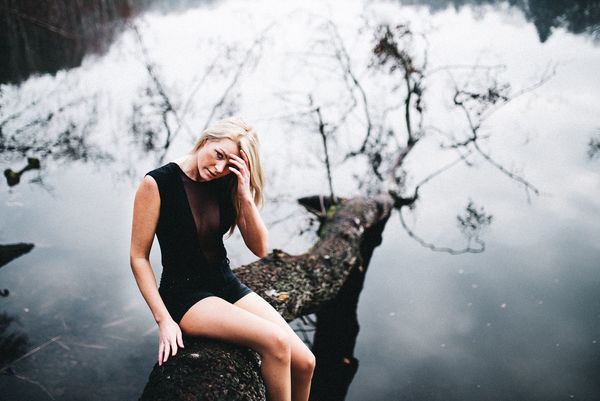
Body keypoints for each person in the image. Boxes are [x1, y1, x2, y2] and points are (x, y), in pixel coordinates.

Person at [129, 116, 315, 401]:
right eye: (218, 155)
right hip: (185, 294)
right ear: (207, 139)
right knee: (275, 342)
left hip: (225, 282)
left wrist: (244, 195)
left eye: (229, 163)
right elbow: (139, 257)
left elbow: (261, 248)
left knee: (305, 363)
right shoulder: (157, 184)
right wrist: (164, 320)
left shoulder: (225, 183)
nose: (218, 168)